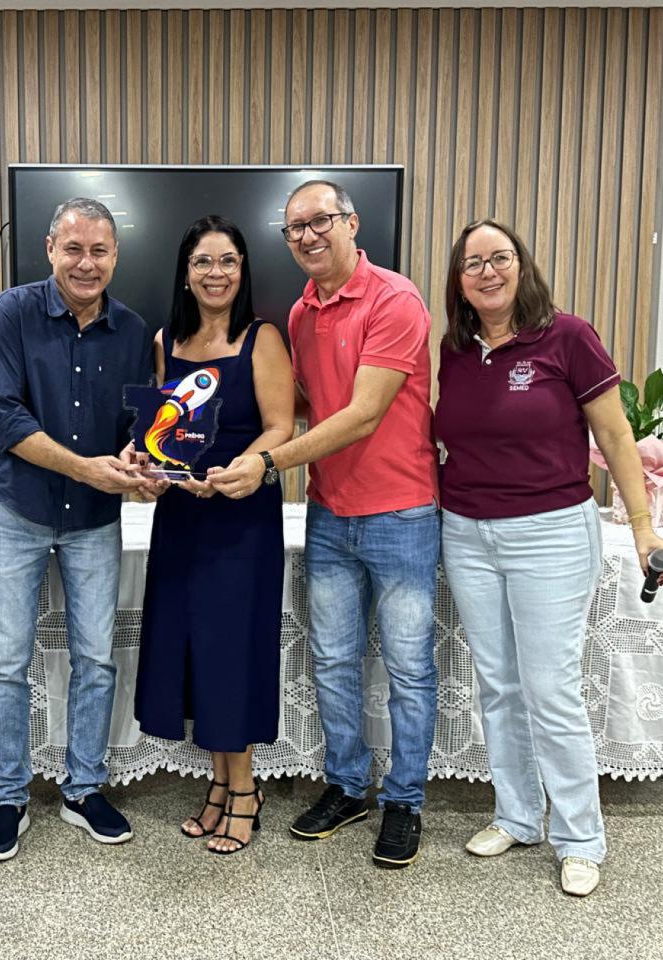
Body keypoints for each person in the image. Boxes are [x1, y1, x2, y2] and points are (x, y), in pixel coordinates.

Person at [435, 219, 663, 897]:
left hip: (550, 533)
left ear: (522, 265)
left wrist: (643, 528)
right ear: (458, 280)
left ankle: (580, 837)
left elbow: (616, 436)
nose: (487, 271)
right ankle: (517, 816)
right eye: (472, 262)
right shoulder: (456, 349)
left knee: (550, 688)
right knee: (498, 684)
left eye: (499, 257)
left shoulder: (567, 337)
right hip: (468, 533)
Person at [210, 180, 439, 870]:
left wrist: (266, 460)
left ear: (351, 222)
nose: (307, 236)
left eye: (320, 221)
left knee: (407, 668)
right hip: (330, 512)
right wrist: (224, 423)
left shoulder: (395, 299)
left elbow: (363, 414)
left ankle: (404, 801)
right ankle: (346, 787)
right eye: (294, 228)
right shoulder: (301, 312)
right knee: (334, 662)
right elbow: (306, 403)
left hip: (400, 512)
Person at [0, 198, 157, 862]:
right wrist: (87, 468)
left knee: (96, 659)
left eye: (99, 250)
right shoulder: (11, 312)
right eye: (73, 249)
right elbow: (5, 416)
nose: (86, 263)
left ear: (115, 256)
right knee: (7, 663)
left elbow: (136, 423)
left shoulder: (133, 330)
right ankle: (7, 797)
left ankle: (83, 790)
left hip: (93, 520)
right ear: (50, 248)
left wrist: (139, 459)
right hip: (14, 509)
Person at [133, 216, 294, 855]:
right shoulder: (165, 340)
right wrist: (148, 465)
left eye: (227, 260)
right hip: (182, 515)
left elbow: (281, 426)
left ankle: (245, 789)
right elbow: (164, 429)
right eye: (203, 261)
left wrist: (237, 471)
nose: (215, 272)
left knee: (232, 648)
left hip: (241, 514)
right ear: (186, 272)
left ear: (242, 269)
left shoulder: (262, 338)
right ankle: (220, 784)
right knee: (196, 648)